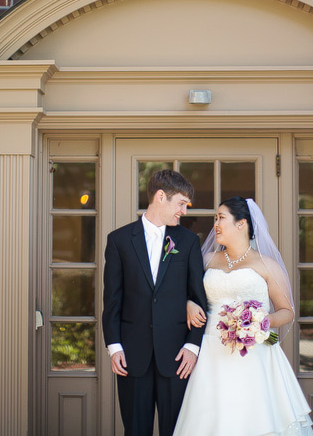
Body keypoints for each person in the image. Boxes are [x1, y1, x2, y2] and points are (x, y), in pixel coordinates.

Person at [173, 197, 313, 436]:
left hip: (256, 350)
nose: (215, 224)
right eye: (215, 218)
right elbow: (185, 294)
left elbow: (287, 311)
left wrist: (258, 323)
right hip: (210, 352)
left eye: (221, 218)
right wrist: (188, 303)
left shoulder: (266, 264)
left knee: (253, 416)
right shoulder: (206, 260)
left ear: (241, 224)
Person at [103, 169, 209, 436]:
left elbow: (198, 297)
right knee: (135, 430)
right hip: (131, 356)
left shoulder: (187, 241)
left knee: (176, 430)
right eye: (181, 204)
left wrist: (193, 345)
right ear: (161, 197)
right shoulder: (119, 240)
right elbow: (112, 299)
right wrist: (114, 347)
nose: (184, 211)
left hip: (177, 356)